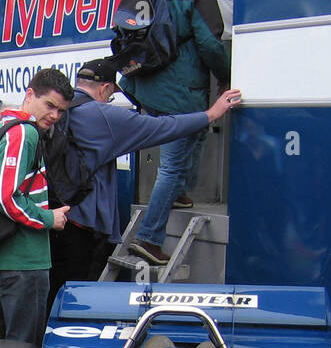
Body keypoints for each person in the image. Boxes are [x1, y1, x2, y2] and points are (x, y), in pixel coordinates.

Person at [50, 59, 241, 300]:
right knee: (78, 301)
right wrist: (212, 114)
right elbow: (162, 127)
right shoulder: (102, 115)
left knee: (54, 296)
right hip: (83, 229)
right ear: (105, 89)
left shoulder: (61, 109)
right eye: (110, 96)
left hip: (56, 220)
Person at [119, 0, 229, 266]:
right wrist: (226, 74)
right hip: (181, 93)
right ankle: (149, 238)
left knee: (195, 136)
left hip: (148, 87)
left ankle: (179, 192)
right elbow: (209, 42)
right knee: (172, 163)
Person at [0, 69, 73, 346]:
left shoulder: (1, 127)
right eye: (49, 105)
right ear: (30, 95)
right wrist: (47, 218)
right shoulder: (24, 132)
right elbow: (2, 194)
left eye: (61, 111)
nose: (54, 116)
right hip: (22, 261)